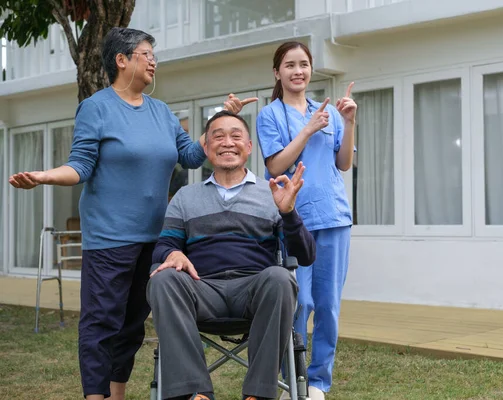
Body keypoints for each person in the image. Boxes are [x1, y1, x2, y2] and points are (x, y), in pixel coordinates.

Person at [7, 28, 244, 400]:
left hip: (155, 240)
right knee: (101, 323)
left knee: (132, 326)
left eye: (153, 54)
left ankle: (116, 393)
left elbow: (192, 157)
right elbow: (81, 166)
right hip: (110, 239)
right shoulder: (97, 107)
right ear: (122, 60)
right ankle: (95, 396)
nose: (153, 60)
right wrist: (44, 177)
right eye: (146, 53)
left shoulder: (162, 112)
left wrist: (220, 122)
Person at [147, 110, 316, 400]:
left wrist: (288, 214)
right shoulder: (186, 197)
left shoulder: (272, 192)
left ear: (248, 147)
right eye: (218, 136)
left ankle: (258, 395)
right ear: (207, 148)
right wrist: (172, 252)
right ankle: (196, 394)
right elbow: (163, 246)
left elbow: (306, 255)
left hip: (254, 290)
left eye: (236, 136)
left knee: (280, 277)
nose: (227, 142)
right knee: (162, 280)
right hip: (202, 289)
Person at [249, 41, 357, 400]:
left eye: (304, 65)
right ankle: (289, 378)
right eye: (290, 65)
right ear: (277, 72)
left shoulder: (328, 112)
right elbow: (276, 165)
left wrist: (350, 121)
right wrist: (307, 130)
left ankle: (317, 383)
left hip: (335, 218)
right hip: (296, 220)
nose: (298, 71)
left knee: (327, 306)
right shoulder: (271, 115)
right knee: (299, 304)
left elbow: (344, 163)